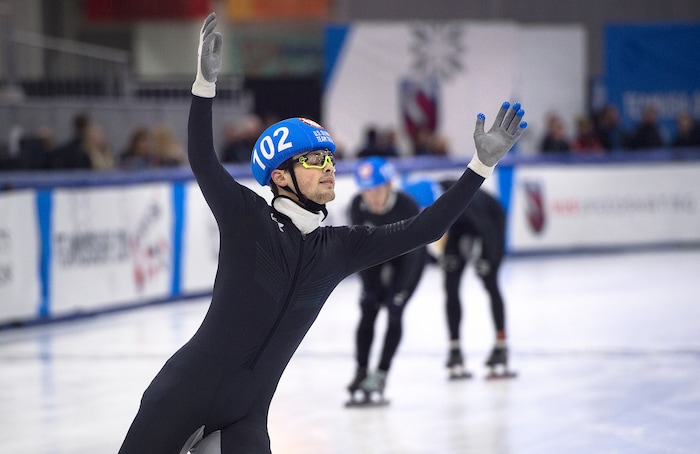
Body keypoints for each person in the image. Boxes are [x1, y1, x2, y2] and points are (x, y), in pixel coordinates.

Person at [117, 12, 527, 454]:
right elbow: (201, 157)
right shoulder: (245, 219)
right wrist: (204, 85)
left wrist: (479, 167)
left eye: (329, 159)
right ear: (280, 177)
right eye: (313, 160)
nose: (328, 167)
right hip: (180, 396)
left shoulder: (340, 248)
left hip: (246, 417)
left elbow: (427, 228)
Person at [345, 157, 428, 407]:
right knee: (368, 308)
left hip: (408, 260)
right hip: (375, 260)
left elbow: (414, 255)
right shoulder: (357, 207)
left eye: (376, 190)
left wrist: (399, 293)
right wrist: (368, 288)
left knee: (394, 310)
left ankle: (381, 373)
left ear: (389, 186)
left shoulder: (407, 206)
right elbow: (359, 251)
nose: (370, 197)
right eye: (365, 190)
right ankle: (361, 370)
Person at [434, 180, 515, 380]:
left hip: (490, 218)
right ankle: (454, 348)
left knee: (489, 281)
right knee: (450, 284)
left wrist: (490, 258)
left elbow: (488, 229)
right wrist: (440, 259)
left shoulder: (466, 202)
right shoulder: (432, 199)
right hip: (458, 225)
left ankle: (501, 343)